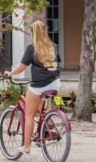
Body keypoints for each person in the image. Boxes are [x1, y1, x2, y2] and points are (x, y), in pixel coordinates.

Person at [4, 20, 60, 155]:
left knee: (29, 115)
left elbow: (22, 67)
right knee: (41, 104)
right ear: (45, 32)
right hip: (55, 83)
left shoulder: (32, 48)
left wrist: (10, 73)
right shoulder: (54, 46)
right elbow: (57, 63)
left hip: (39, 86)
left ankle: (26, 147)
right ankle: (48, 122)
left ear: (33, 33)